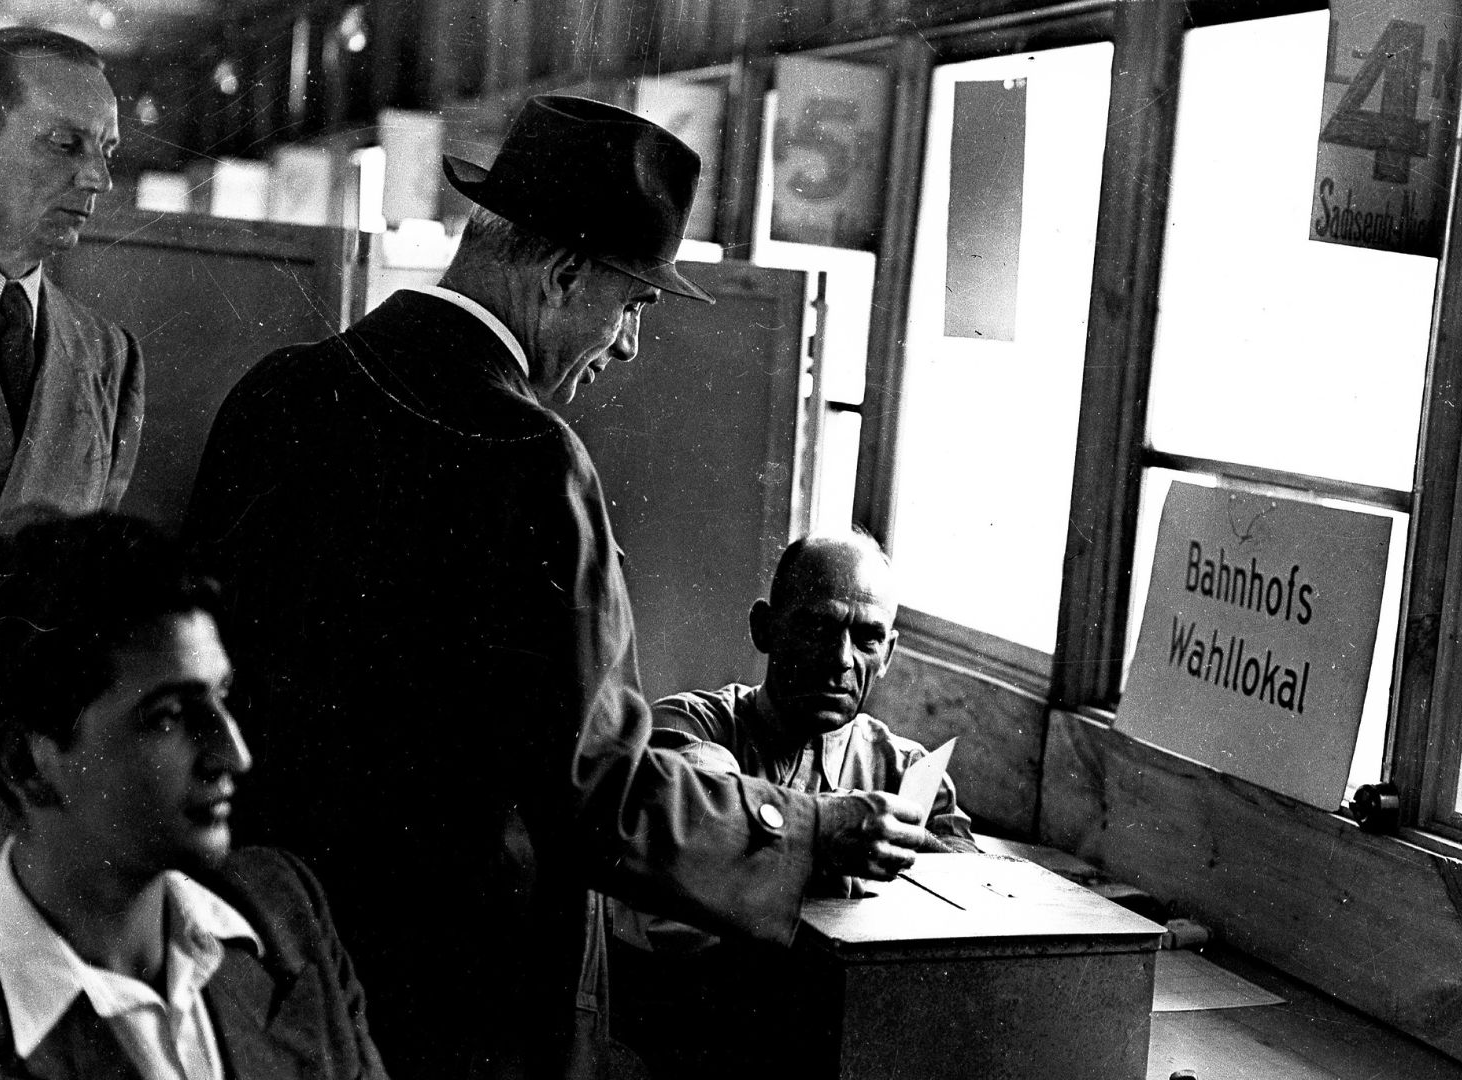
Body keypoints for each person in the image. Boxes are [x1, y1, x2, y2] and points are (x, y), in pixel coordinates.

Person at [181, 95, 937, 1079]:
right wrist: (806, 828)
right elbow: (598, 792)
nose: (626, 345)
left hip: (265, 949)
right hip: (457, 996)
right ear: (563, 273)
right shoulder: (535, 465)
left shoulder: (282, 386)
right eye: (632, 306)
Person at [0, 511, 385, 1080]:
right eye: (168, 715)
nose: (234, 755)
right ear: (26, 763)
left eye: (221, 698)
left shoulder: (283, 910)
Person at [608, 529, 975, 1077]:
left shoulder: (908, 772)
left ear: (890, 652)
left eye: (867, 638)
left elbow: (976, 915)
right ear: (765, 627)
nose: (840, 659)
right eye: (816, 626)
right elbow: (702, 824)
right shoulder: (687, 730)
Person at [0, 26, 146, 926]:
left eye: (108, 151)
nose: (95, 176)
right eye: (64, 142)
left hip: (26, 824)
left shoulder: (105, 359)